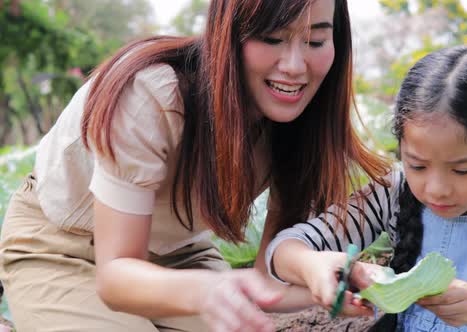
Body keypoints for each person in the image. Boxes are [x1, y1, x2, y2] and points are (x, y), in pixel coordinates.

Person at [0, 0, 391, 331]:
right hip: (62, 248)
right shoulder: (153, 95)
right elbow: (116, 275)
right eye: (272, 38)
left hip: (176, 256)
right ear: (229, 33)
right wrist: (206, 291)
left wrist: (336, 287)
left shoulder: (299, 126)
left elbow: (262, 283)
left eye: (315, 40)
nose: (294, 65)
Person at [266, 46, 467, 332]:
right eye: (417, 166)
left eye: (461, 170)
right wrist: (314, 267)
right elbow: (283, 250)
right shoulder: (391, 193)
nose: (436, 190)